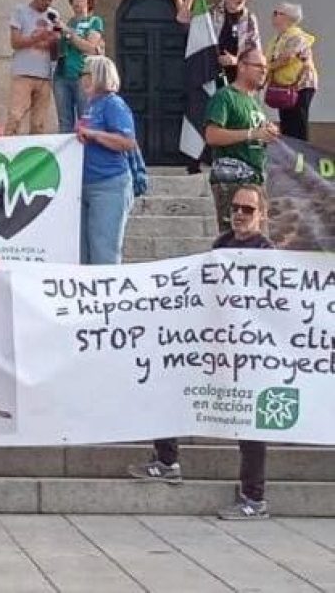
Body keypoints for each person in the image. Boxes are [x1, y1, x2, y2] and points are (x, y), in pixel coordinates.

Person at [128, 183, 274, 519]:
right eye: (235, 208)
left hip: (249, 355)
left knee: (250, 425)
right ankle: (167, 459)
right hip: (213, 344)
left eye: (248, 209)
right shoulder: (220, 246)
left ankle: (254, 498)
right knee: (166, 380)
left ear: (262, 216)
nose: (239, 214)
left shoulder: (268, 254)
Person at [204, 48, 279, 232]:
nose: (264, 71)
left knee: (255, 240)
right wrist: (252, 134)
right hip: (232, 180)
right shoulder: (225, 97)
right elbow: (212, 135)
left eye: (265, 67)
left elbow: (257, 136)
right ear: (242, 67)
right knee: (235, 237)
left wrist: (269, 135)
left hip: (256, 179)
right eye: (258, 66)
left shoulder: (254, 102)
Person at [77, 55, 137, 265]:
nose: (81, 78)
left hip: (109, 183)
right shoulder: (90, 105)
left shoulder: (114, 104)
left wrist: (94, 135)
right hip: (85, 184)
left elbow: (127, 141)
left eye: (85, 74)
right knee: (81, 252)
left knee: (104, 250)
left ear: (99, 76)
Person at [171, 0, 261, 85]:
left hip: (239, 77)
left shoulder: (250, 19)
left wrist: (235, 60)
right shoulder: (213, 12)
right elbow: (183, 18)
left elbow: (256, 53)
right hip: (214, 74)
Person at [7, 0, 60, 136]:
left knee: (39, 124)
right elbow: (15, 42)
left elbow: (56, 53)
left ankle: (34, 158)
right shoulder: (20, 11)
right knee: (15, 117)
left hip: (44, 74)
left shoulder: (54, 15)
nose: (48, 2)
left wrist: (56, 41)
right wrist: (38, 37)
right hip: (23, 73)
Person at [53, 0, 104, 133]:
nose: (78, 1)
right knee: (64, 121)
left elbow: (90, 47)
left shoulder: (94, 21)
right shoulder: (68, 22)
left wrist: (68, 33)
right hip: (61, 75)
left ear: (89, 1)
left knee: (85, 120)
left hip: (82, 75)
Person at [266, 2, 318, 140]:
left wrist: (266, 68)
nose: (273, 15)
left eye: (277, 13)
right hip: (284, 87)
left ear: (288, 18)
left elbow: (286, 58)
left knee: (297, 125)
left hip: (300, 86)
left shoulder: (297, 37)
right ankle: (290, 157)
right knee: (287, 124)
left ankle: (302, 156)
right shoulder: (278, 37)